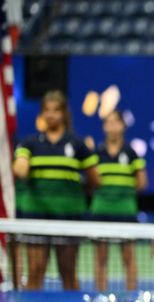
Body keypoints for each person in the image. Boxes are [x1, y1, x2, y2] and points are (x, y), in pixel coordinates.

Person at [13, 90, 100, 290]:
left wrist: (74, 193)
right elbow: (21, 170)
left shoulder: (78, 144)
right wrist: (16, 168)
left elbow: (95, 179)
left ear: (64, 114)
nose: (51, 115)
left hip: (68, 217)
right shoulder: (29, 144)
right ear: (41, 114)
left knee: (68, 274)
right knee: (35, 273)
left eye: (56, 110)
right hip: (36, 217)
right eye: (46, 110)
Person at [89, 110, 147, 292]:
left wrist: (124, 195)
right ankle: (100, 294)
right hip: (101, 211)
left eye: (116, 122)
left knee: (129, 258)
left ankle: (131, 295)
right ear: (104, 126)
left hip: (125, 211)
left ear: (123, 126)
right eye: (108, 122)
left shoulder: (131, 153)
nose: (112, 126)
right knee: (100, 258)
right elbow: (92, 180)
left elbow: (142, 182)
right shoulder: (96, 153)